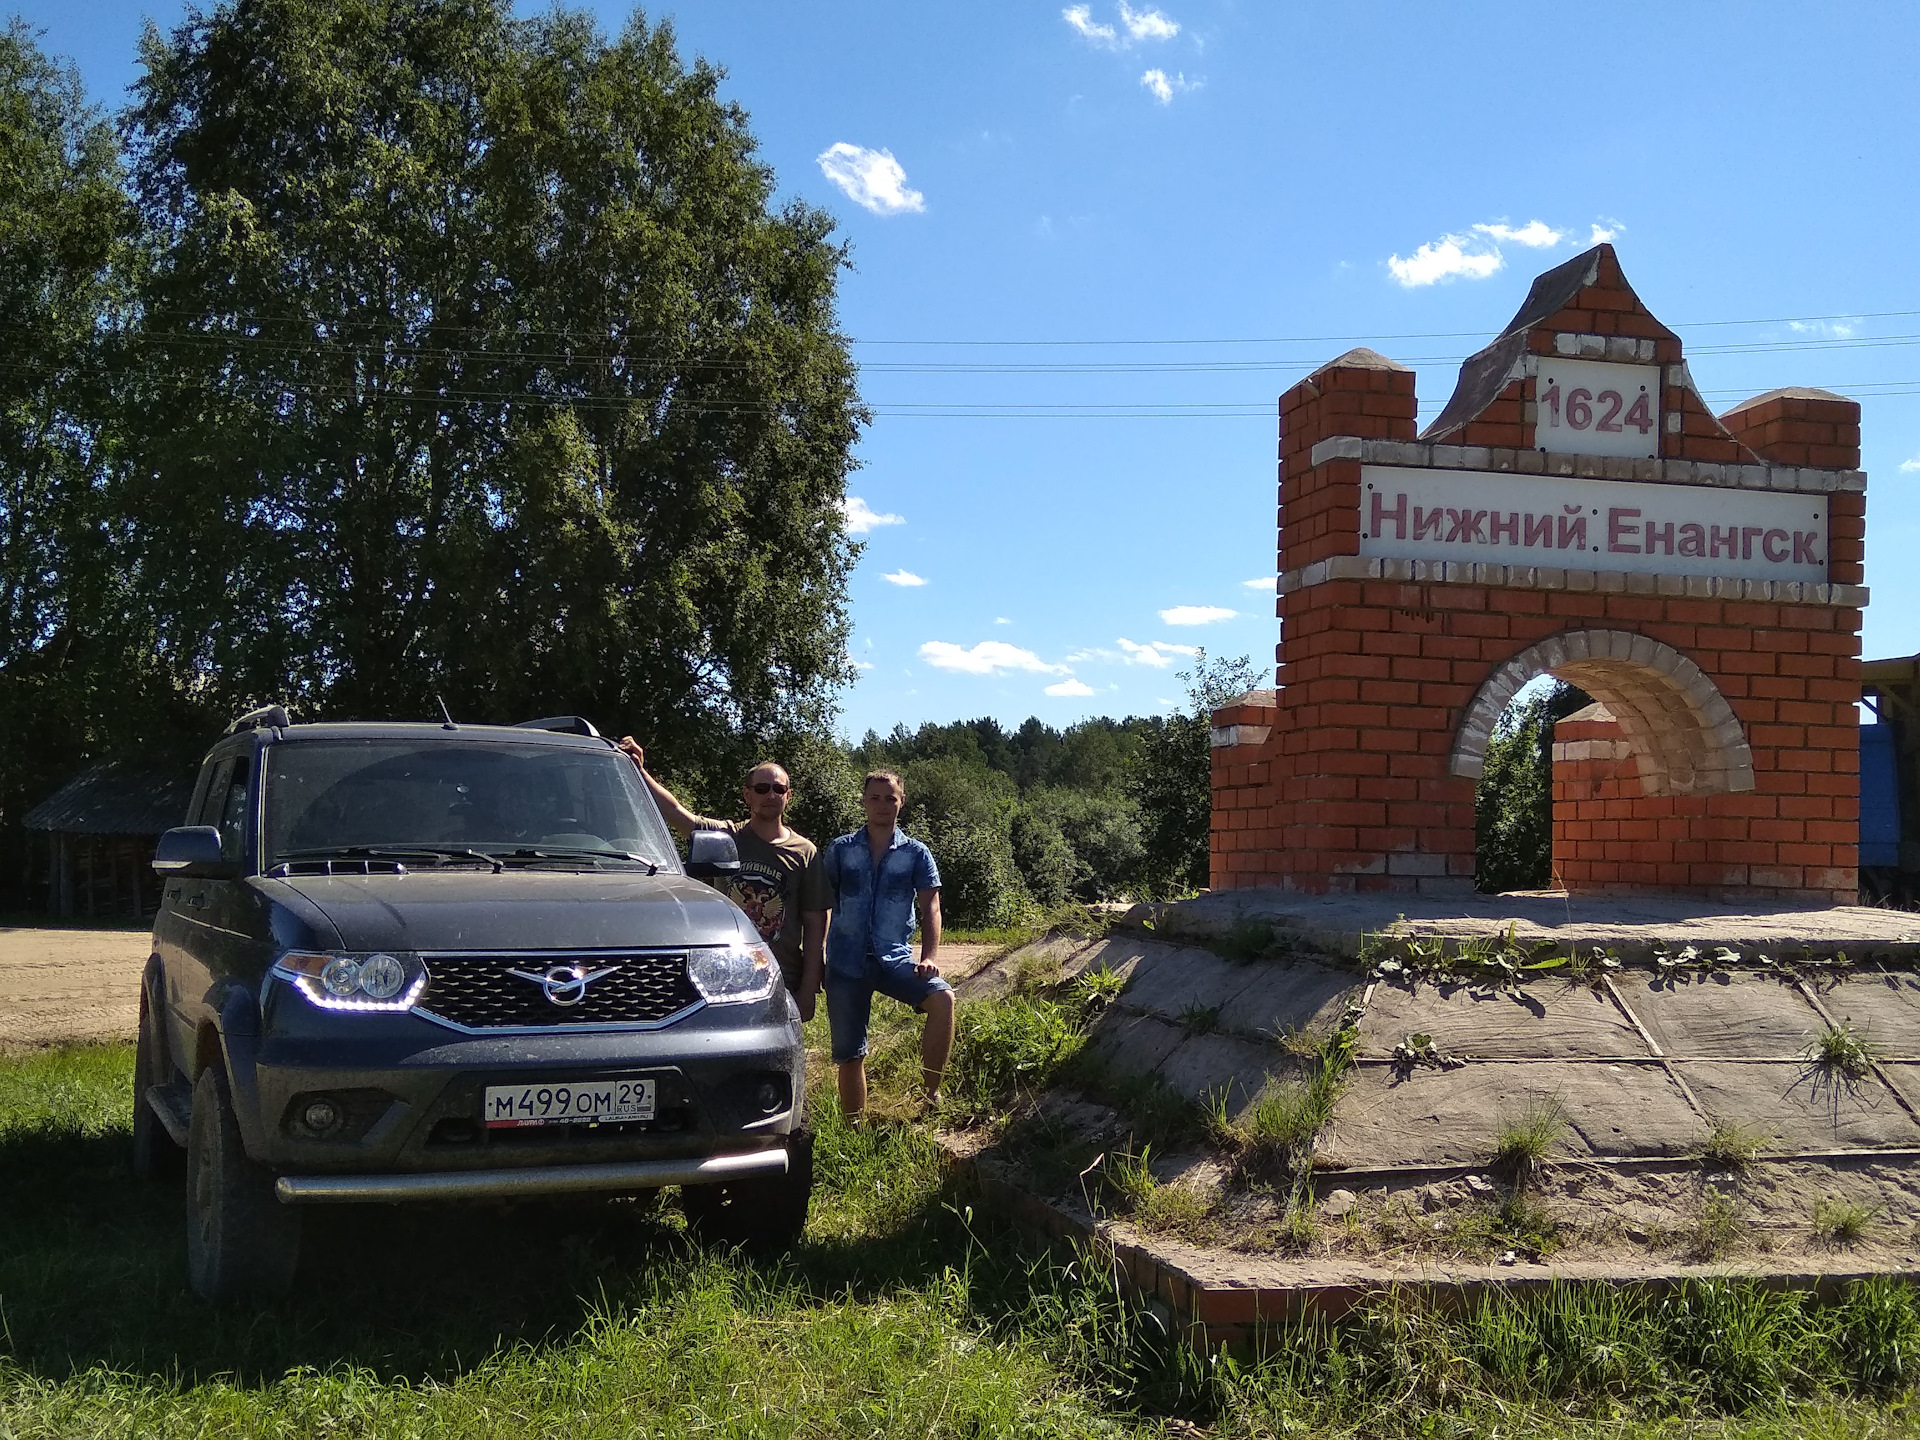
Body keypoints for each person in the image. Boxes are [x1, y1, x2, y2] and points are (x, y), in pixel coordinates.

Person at [618, 739, 828, 1021]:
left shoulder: (805, 852)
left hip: (783, 976)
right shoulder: (725, 838)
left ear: (788, 796)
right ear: (747, 795)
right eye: (762, 788)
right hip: (728, 974)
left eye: (778, 789)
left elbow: (816, 925)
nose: (770, 794)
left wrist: (808, 988)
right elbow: (678, 814)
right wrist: (639, 770)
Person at [818, 769, 955, 1121]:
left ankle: (930, 1097)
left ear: (901, 802)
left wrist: (929, 956)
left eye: (890, 798)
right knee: (850, 1052)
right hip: (846, 963)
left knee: (943, 999)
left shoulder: (916, 853)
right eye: (875, 798)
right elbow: (822, 904)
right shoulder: (841, 850)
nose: (882, 805)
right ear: (864, 802)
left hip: (893, 960)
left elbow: (931, 907)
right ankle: (854, 1130)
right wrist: (818, 955)